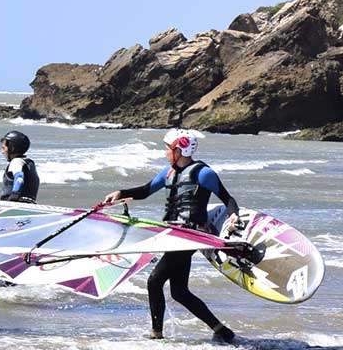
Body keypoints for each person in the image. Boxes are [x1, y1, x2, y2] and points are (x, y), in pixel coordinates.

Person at [100, 129, 240, 343]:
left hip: (191, 236)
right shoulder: (168, 172)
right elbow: (145, 190)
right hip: (174, 235)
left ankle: (156, 335)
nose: (165, 152)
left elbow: (227, 198)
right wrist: (121, 192)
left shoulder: (203, 173)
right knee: (179, 292)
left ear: (180, 149)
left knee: (154, 281)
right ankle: (222, 331)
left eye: (168, 148)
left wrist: (233, 216)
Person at [0, 131, 40, 203]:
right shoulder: (29, 163)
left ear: (12, 148)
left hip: (15, 204)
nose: (2, 152)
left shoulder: (16, 162)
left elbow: (19, 177)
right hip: (29, 204)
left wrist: (15, 194)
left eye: (3, 148)